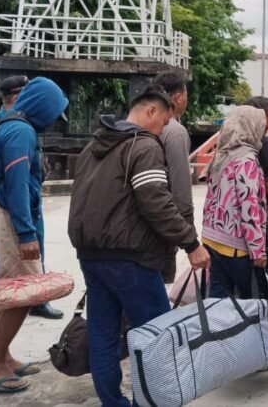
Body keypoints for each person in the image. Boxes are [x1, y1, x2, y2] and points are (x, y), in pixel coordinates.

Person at [69, 87, 209, 406]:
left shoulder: (95, 144)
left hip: (91, 254)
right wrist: (190, 242)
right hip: (130, 258)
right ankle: (155, 400)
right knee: (159, 336)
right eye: (164, 121)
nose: (163, 130)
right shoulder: (143, 145)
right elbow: (155, 202)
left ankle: (113, 402)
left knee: (103, 334)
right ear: (150, 112)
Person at [0, 77, 68, 392]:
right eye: (55, 113)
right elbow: (16, 186)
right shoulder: (20, 132)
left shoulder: (10, 124)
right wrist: (27, 234)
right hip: (7, 216)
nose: (55, 121)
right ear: (45, 107)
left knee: (3, 293)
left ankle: (4, 358)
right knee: (24, 293)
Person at [202, 106, 268, 298]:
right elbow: (248, 208)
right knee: (251, 302)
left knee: (217, 299)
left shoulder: (221, 155)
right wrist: (258, 251)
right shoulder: (246, 160)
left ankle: (216, 328)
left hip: (212, 238)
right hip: (235, 245)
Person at [153, 71, 195, 282]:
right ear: (178, 97)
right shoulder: (175, 132)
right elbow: (181, 190)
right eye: (186, 95)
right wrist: (190, 238)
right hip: (161, 229)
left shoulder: (136, 124)